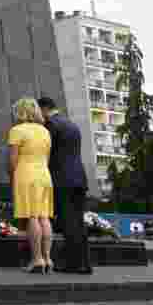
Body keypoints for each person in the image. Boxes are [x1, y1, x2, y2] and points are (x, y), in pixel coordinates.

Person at [38, 96, 93, 274]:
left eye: (40, 112)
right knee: (78, 222)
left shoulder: (51, 125)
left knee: (68, 222)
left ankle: (73, 264)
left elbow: (46, 152)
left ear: (44, 109)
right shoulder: (71, 124)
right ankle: (84, 263)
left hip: (62, 180)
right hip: (79, 179)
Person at [7, 97, 54, 273]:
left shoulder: (17, 131)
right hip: (44, 175)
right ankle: (48, 258)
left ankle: (36, 259)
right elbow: (47, 158)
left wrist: (12, 176)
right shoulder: (45, 132)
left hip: (26, 174)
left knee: (32, 217)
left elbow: (13, 161)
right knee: (44, 217)